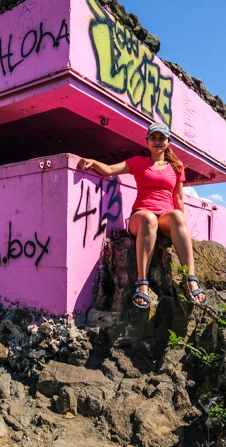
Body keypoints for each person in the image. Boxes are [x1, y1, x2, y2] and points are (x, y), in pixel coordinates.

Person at [77, 122, 206, 309]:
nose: (157, 142)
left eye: (161, 138)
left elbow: (178, 197)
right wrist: (93, 162)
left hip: (165, 217)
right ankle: (142, 283)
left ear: (168, 142)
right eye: (153, 138)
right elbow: (111, 170)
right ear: (147, 142)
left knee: (177, 216)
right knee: (148, 218)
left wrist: (182, 227)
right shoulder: (138, 162)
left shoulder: (177, 167)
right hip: (141, 216)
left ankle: (191, 279)